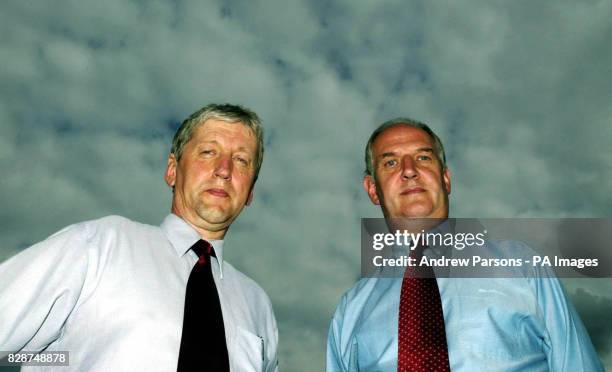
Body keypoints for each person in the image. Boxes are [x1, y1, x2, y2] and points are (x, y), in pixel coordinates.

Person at [0, 103, 278, 371]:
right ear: (172, 170)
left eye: (241, 160)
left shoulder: (258, 306)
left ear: (250, 192)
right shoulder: (97, 246)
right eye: (208, 152)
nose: (224, 170)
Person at [326, 118, 603, 371]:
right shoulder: (351, 311)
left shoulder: (521, 267)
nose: (409, 171)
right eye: (391, 163)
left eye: (423, 157)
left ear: (446, 178)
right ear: (373, 189)